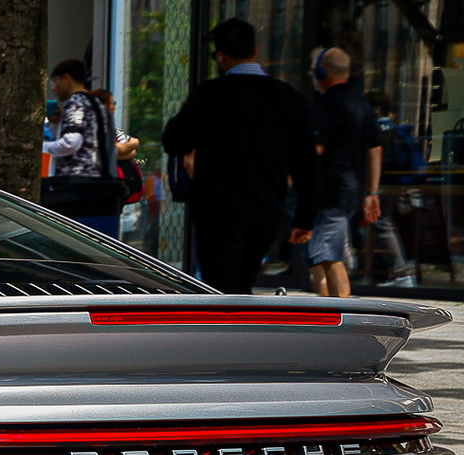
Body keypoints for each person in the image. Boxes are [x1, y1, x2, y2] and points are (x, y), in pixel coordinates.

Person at [160, 18, 318, 293]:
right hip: (266, 208)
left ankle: (226, 332)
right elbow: (306, 163)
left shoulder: (209, 94)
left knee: (219, 286)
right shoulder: (289, 98)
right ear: (255, 51)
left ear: (220, 56)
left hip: (216, 209)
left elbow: (174, 140)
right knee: (244, 279)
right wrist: (305, 217)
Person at [306, 48, 381, 298]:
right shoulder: (363, 104)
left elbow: (315, 149)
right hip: (350, 190)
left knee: (329, 256)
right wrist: (372, 191)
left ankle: (341, 313)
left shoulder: (325, 104)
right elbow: (375, 151)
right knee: (318, 257)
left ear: (322, 71)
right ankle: (325, 312)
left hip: (330, 192)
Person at [39, 60, 124, 236]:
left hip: (75, 189)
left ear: (67, 78)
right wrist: (56, 126)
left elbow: (72, 142)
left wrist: (42, 147)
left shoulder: (75, 103)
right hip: (101, 185)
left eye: (55, 81)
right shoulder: (99, 105)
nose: (53, 88)